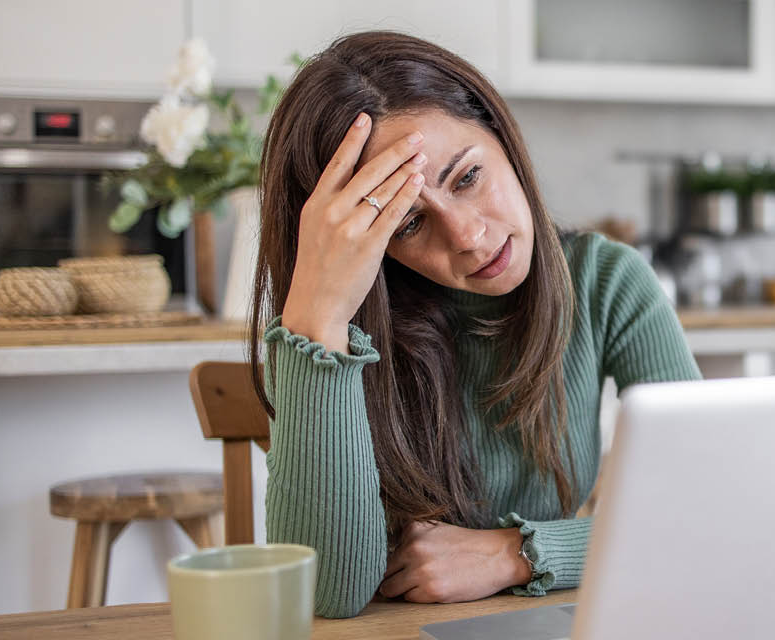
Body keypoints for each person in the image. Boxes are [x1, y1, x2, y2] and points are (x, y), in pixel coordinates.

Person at [248, 31, 700, 618]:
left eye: (466, 178)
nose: (467, 236)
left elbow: (704, 514)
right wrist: (318, 317)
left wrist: (518, 554)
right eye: (407, 224)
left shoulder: (604, 280)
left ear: (502, 137)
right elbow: (327, 594)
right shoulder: (329, 327)